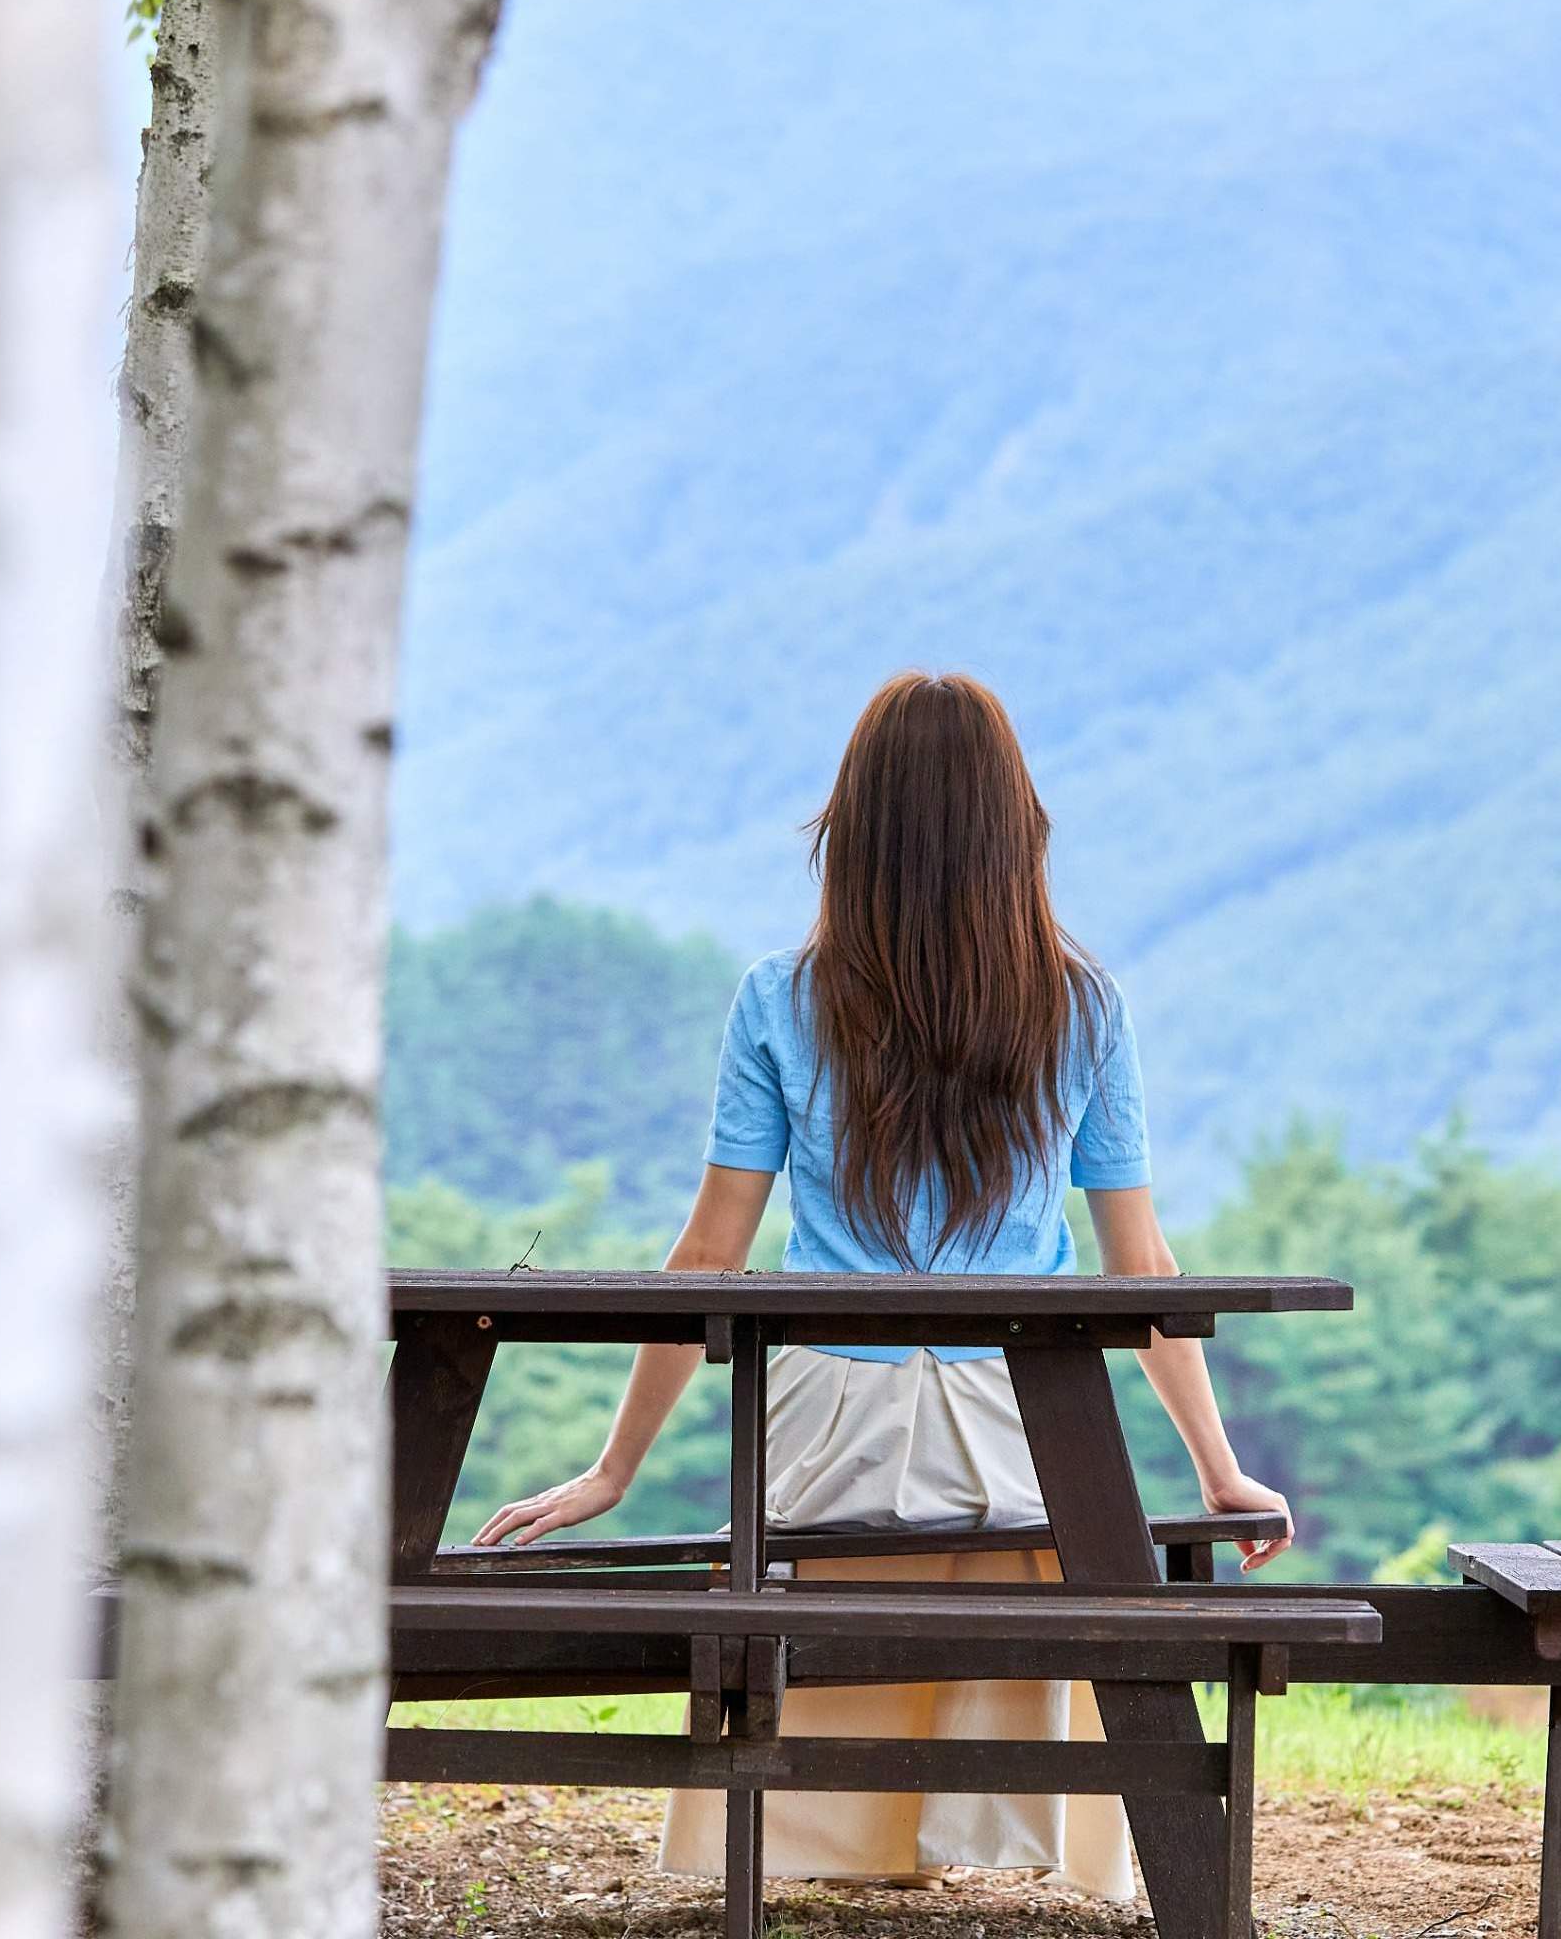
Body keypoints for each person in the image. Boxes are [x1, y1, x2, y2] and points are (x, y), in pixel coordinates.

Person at [472, 670, 1291, 1901]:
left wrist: (615, 1469)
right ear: (1018, 830)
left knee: (796, 1562)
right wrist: (1217, 1471)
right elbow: (1146, 1273)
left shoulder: (782, 1001)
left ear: (850, 833)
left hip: (824, 1452)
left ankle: (807, 1855)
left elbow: (708, 1259)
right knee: (1033, 1539)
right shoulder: (1085, 1008)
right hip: (1031, 1448)